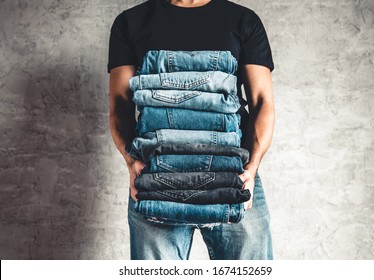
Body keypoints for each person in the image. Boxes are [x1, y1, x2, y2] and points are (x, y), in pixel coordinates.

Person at [107, 0, 275, 260]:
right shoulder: (131, 22)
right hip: (156, 174)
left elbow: (262, 101)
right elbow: (120, 103)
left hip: (233, 172)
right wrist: (132, 163)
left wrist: (251, 169)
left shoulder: (243, 21)